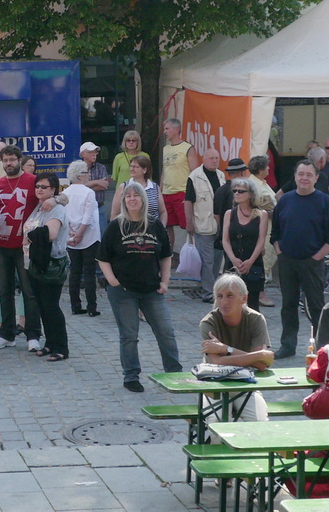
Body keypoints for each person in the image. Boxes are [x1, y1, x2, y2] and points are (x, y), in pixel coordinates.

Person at [97, 181, 179, 392]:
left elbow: (166, 255)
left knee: (166, 332)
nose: (132, 199)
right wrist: (112, 281)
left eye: (136, 195)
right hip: (123, 291)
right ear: (124, 201)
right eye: (128, 196)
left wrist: (165, 281)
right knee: (129, 335)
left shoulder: (155, 224)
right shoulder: (116, 226)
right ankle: (131, 376)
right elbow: (103, 258)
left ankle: (174, 373)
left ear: (143, 199)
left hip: (152, 289)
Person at [271, 161, 329, 359]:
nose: (304, 178)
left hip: (312, 262)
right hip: (287, 261)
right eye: (301, 174)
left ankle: (323, 346)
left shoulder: (324, 202)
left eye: (309, 175)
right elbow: (275, 232)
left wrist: (317, 257)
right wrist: (279, 252)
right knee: (288, 305)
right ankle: (287, 345)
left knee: (317, 306)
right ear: (294, 176)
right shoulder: (285, 201)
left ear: (316, 178)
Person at [0, 144, 38, 349]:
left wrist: (57, 200)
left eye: (12, 160)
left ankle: (33, 335)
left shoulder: (33, 181)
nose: (9, 163)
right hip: (1, 245)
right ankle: (7, 334)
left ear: (19, 161)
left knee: (29, 291)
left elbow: (54, 197)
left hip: (25, 246)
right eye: (5, 160)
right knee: (4, 290)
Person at [23, 172, 71, 361]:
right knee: (42, 306)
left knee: (51, 306)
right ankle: (50, 343)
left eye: (44, 187)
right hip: (36, 263)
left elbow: (50, 234)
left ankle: (61, 347)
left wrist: (30, 237)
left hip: (52, 265)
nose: (39, 190)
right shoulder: (39, 206)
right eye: (37, 186)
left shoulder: (56, 209)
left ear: (53, 189)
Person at [198, 273, 274, 369]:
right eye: (220, 296)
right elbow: (216, 362)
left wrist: (225, 349)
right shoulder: (208, 323)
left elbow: (261, 364)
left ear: (244, 298)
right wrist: (257, 356)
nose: (224, 302)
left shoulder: (256, 319)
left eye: (230, 296)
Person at [221, 177, 271, 311]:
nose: (237, 193)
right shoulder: (229, 214)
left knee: (252, 305)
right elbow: (225, 240)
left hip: (253, 263)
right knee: (231, 304)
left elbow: (261, 240)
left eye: (241, 191)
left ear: (250, 194)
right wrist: (233, 259)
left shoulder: (261, 214)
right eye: (235, 191)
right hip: (233, 263)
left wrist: (250, 261)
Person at [63, 161, 102, 317]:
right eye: (86, 172)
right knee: (89, 272)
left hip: (71, 237)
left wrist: (72, 232)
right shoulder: (88, 192)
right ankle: (92, 307)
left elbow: (65, 215)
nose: (89, 175)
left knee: (75, 272)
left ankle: (75, 305)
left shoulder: (66, 192)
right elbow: (88, 216)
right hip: (89, 237)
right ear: (80, 175)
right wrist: (80, 233)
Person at [184, 146, 222, 301]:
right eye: (211, 158)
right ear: (204, 159)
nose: (214, 161)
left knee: (217, 260)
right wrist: (189, 223)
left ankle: (214, 289)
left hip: (219, 225)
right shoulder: (194, 177)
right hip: (203, 224)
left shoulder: (221, 175)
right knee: (207, 261)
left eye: (217, 158)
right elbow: (188, 202)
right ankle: (208, 293)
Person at [111, 152, 159, 223]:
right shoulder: (124, 187)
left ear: (144, 170)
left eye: (136, 167)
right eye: (131, 166)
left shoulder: (155, 187)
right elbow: (114, 213)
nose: (132, 169)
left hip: (153, 226)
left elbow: (162, 211)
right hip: (128, 226)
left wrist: (162, 226)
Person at [77, 142, 112, 235]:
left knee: (102, 235)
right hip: (81, 209)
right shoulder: (77, 168)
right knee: (83, 235)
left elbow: (104, 185)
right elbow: (76, 186)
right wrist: (97, 182)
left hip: (99, 208)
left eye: (95, 152)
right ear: (83, 154)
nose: (94, 154)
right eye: (90, 152)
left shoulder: (101, 167)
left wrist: (84, 186)